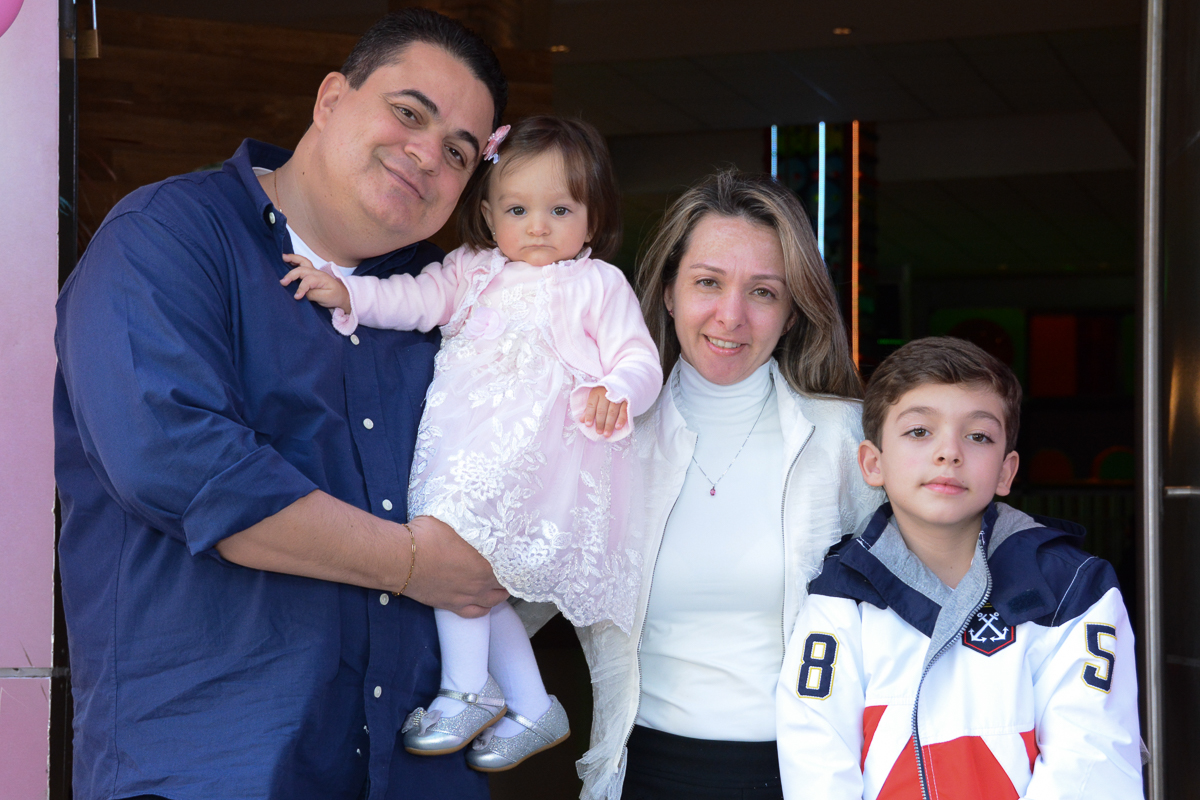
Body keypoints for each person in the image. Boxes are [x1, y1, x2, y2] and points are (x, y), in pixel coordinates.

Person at [53, 10, 514, 800]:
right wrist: (413, 565)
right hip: (211, 771)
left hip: (415, 773)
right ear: (331, 99)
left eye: (458, 153)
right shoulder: (167, 239)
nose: (426, 155)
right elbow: (183, 468)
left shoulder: (458, 302)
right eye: (409, 113)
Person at [280, 114, 663, 771]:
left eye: (560, 210)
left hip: (531, 461)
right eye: (517, 209)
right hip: (458, 449)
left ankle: (467, 690)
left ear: (592, 218)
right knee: (470, 580)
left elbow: (640, 359)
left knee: (452, 560)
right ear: (487, 213)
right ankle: (531, 703)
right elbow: (410, 299)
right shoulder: (470, 273)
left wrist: (618, 389)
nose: (537, 226)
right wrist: (349, 292)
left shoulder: (596, 285)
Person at [575, 170, 882, 800]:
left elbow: (934, 572)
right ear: (668, 291)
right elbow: (510, 583)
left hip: (804, 778)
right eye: (708, 282)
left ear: (792, 313)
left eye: (763, 292)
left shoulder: (844, 440)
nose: (731, 316)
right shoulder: (606, 439)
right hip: (640, 776)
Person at [776, 337, 1144, 799]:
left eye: (978, 436)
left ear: (1006, 471)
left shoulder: (1071, 589)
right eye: (919, 431)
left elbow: (1093, 763)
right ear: (872, 463)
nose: (949, 452)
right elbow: (817, 762)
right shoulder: (843, 591)